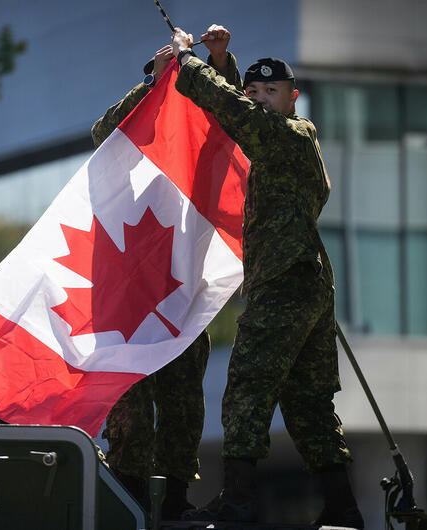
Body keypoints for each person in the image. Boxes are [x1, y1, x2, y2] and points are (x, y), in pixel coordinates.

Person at [169, 26, 365, 528]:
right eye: (254, 90)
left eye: (270, 91)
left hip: (284, 283)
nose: (259, 98)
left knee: (247, 385)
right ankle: (343, 509)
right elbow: (238, 112)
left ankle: (237, 501)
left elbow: (236, 112)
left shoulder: (291, 136)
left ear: (292, 98)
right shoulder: (278, 139)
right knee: (307, 404)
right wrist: (221, 61)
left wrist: (188, 61)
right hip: (305, 283)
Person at [90, 35, 241, 520]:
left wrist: (219, 64)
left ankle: (174, 499)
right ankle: (129, 496)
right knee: (131, 405)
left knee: (183, 402)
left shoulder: (201, 143)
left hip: (181, 291)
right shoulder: (134, 132)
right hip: (131, 297)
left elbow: (234, 122)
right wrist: (152, 83)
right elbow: (104, 133)